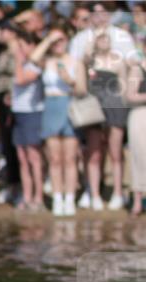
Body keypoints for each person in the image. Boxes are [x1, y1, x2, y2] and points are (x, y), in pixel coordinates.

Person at [32, 28, 82, 216]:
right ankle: (57, 197)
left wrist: (70, 81)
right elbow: (33, 58)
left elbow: (82, 89)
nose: (58, 44)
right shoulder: (49, 62)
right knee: (54, 158)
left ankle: (70, 198)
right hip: (51, 106)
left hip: (68, 104)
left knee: (69, 158)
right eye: (55, 41)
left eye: (61, 40)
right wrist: (48, 39)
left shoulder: (75, 62)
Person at [83, 29, 130, 211]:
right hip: (94, 110)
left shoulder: (118, 61)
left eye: (106, 38)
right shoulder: (90, 60)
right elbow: (85, 56)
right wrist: (94, 36)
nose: (104, 40)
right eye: (100, 38)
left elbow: (124, 90)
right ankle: (94, 194)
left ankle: (118, 193)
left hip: (114, 108)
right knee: (94, 153)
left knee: (115, 152)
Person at [9, 31, 46, 212]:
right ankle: (27, 194)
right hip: (18, 113)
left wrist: (17, 59)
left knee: (34, 157)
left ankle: (38, 197)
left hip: (33, 113)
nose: (20, 50)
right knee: (22, 158)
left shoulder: (36, 65)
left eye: (23, 46)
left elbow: (21, 79)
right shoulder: (21, 64)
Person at [126, 48, 146, 216]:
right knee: (139, 158)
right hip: (141, 116)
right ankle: (138, 202)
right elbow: (130, 96)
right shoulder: (137, 68)